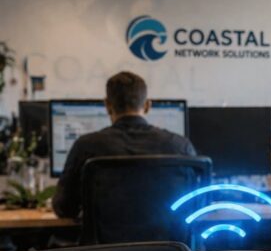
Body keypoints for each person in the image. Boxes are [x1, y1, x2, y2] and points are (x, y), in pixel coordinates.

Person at [52, 72, 196, 218]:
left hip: (105, 241)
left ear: (107, 105)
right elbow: (198, 204)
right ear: (147, 106)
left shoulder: (86, 146)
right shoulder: (179, 146)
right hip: (169, 240)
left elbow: (64, 208)